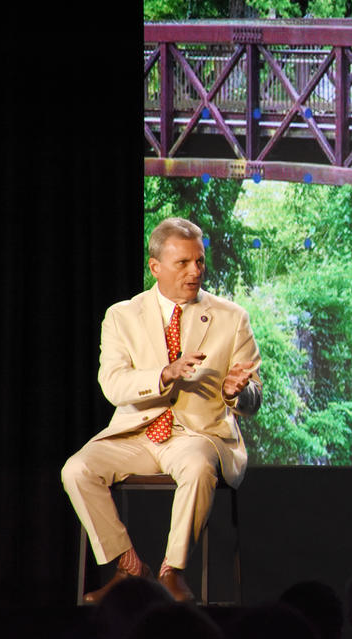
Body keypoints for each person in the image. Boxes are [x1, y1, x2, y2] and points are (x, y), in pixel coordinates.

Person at [62, 216, 261, 603]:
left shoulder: (231, 317)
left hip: (196, 434)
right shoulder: (123, 316)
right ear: (155, 267)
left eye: (199, 261)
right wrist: (163, 375)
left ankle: (173, 572)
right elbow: (114, 385)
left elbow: (254, 398)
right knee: (77, 469)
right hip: (136, 431)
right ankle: (129, 567)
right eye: (183, 263)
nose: (195, 271)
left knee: (198, 465)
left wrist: (239, 393)